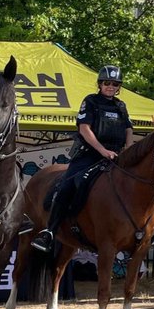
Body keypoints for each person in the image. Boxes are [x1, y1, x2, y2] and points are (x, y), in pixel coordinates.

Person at [31, 65, 135, 253]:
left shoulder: (121, 106)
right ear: (100, 84)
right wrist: (102, 150)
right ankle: (50, 232)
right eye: (106, 83)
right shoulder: (91, 101)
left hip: (116, 157)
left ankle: (140, 232)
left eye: (114, 84)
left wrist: (128, 149)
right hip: (89, 155)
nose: (110, 86)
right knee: (67, 186)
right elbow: (84, 129)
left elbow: (128, 129)